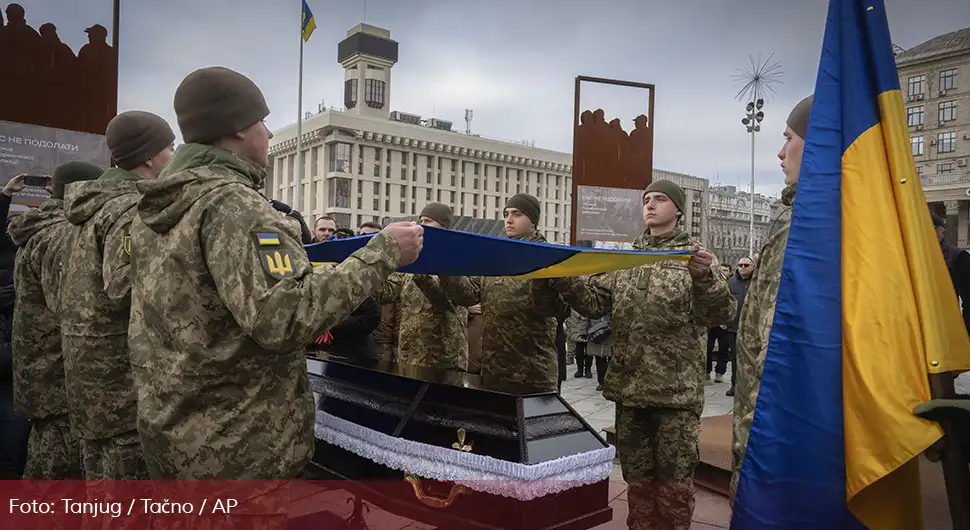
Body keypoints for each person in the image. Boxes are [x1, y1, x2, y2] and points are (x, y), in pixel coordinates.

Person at [126, 66, 423, 479]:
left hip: (178, 437)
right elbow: (285, 315)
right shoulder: (235, 207)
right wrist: (383, 252)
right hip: (239, 451)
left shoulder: (163, 207)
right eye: (262, 121)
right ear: (236, 131)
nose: (268, 133)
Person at [548, 179, 736, 530]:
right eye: (647, 200)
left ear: (678, 210)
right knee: (639, 484)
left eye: (660, 199)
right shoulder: (627, 259)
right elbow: (592, 302)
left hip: (675, 397)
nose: (650, 205)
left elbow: (722, 312)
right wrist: (562, 273)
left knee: (674, 488)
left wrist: (706, 280)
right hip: (632, 392)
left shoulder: (693, 259)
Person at [60, 110, 175, 481]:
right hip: (122, 391)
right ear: (148, 157)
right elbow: (125, 287)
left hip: (93, 387)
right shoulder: (128, 209)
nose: (174, 155)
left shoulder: (91, 207)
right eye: (169, 147)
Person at [731, 94, 812, 504]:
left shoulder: (808, 226)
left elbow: (778, 346)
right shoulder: (810, 217)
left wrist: (755, 434)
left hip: (774, 436)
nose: (781, 152)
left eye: (789, 138)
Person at [9, 161, 102, 479]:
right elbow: (73, 308)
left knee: (45, 470)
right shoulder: (63, 236)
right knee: (58, 481)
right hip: (59, 380)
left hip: (47, 375)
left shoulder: (43, 228)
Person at [439, 194, 567, 391]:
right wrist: (445, 266)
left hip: (532, 371)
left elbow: (557, 308)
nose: (509, 219)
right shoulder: (496, 256)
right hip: (494, 368)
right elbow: (468, 294)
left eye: (517, 214)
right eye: (506, 214)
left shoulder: (546, 256)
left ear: (532, 220)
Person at [376, 203, 469, 372]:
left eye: (428, 221)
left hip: (444, 358)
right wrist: (370, 277)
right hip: (410, 356)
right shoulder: (411, 257)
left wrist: (419, 272)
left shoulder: (456, 259)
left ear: (444, 227)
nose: (421, 225)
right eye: (421, 220)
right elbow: (388, 293)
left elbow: (447, 303)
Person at [931, 211, 970, 335]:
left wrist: (965, 334)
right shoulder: (909, 257)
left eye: (929, 229)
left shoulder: (958, 257)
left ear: (940, 231)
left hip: (945, 330)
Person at [724, 256, 754, 397]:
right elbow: (724, 302)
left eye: (746, 265)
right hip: (734, 326)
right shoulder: (730, 282)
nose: (742, 268)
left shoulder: (757, 282)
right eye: (740, 265)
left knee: (750, 358)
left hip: (752, 328)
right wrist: (723, 320)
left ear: (753, 267)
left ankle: (750, 387)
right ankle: (734, 385)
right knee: (735, 358)